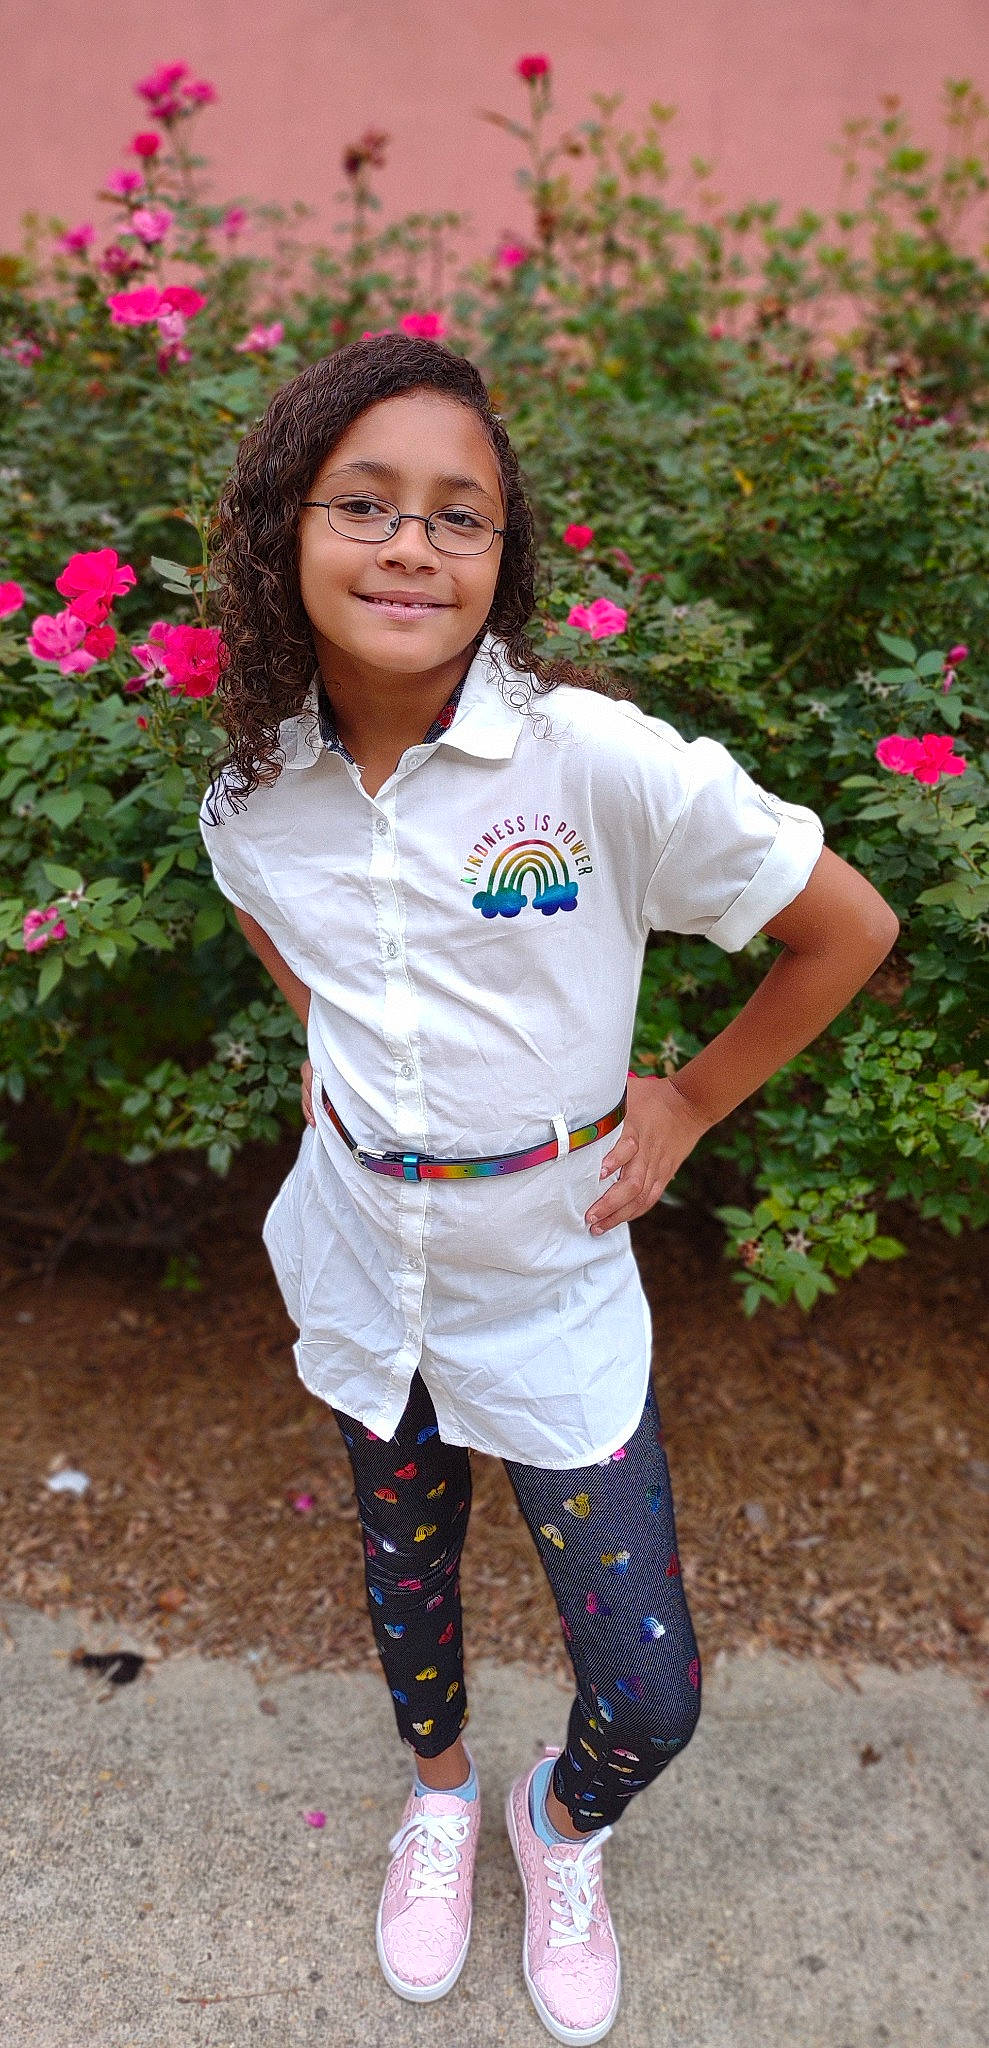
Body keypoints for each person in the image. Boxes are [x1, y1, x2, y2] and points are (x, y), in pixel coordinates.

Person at [199, 331, 899, 2044]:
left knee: (647, 1689)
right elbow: (288, 936)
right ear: (286, 532)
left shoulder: (587, 761)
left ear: (504, 559)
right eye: (366, 504)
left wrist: (686, 1097)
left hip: (551, 1276)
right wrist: (334, 1057)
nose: (413, 546)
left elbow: (848, 927)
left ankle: (553, 1824)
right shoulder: (253, 798)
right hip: (368, 1250)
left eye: (463, 516)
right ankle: (438, 1801)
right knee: (402, 1576)